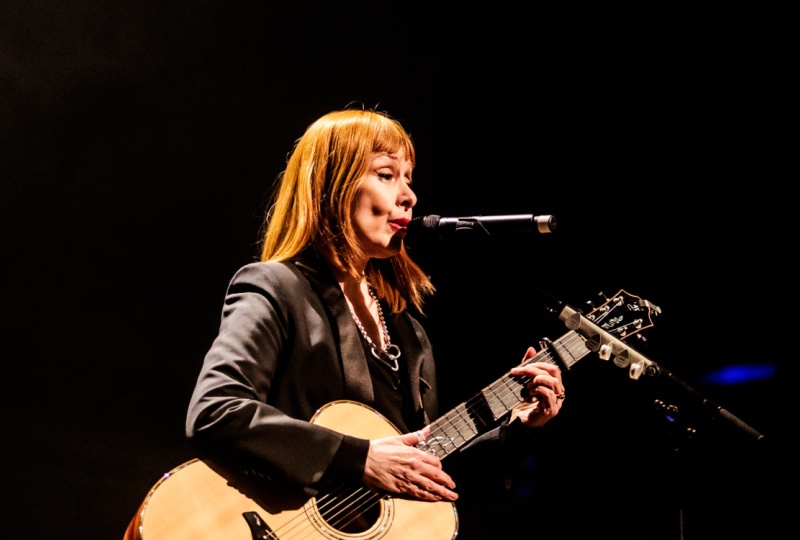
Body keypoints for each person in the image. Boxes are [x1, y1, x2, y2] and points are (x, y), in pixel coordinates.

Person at [185, 106, 566, 539]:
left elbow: (424, 482)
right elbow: (216, 411)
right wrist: (358, 458)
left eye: (409, 178)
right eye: (386, 175)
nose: (409, 196)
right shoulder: (277, 287)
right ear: (332, 186)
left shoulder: (409, 334)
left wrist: (519, 428)